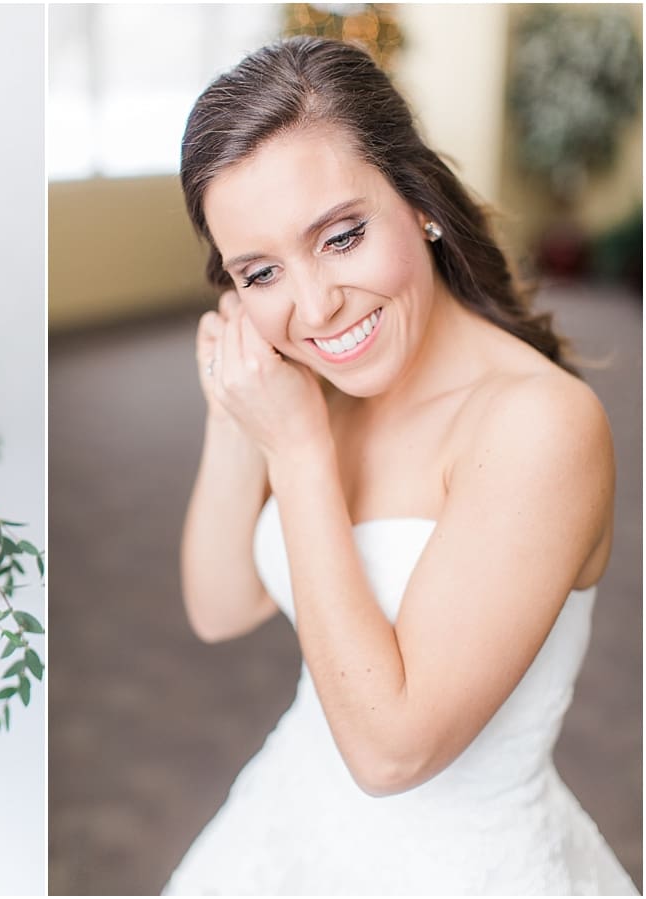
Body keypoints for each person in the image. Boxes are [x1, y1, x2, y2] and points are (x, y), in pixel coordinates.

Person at [167, 36, 637, 895]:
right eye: (262, 270)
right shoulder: (322, 381)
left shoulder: (539, 426)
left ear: (419, 201)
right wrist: (237, 413)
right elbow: (220, 604)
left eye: (341, 237)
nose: (315, 306)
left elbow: (392, 751)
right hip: (284, 822)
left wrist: (301, 452)